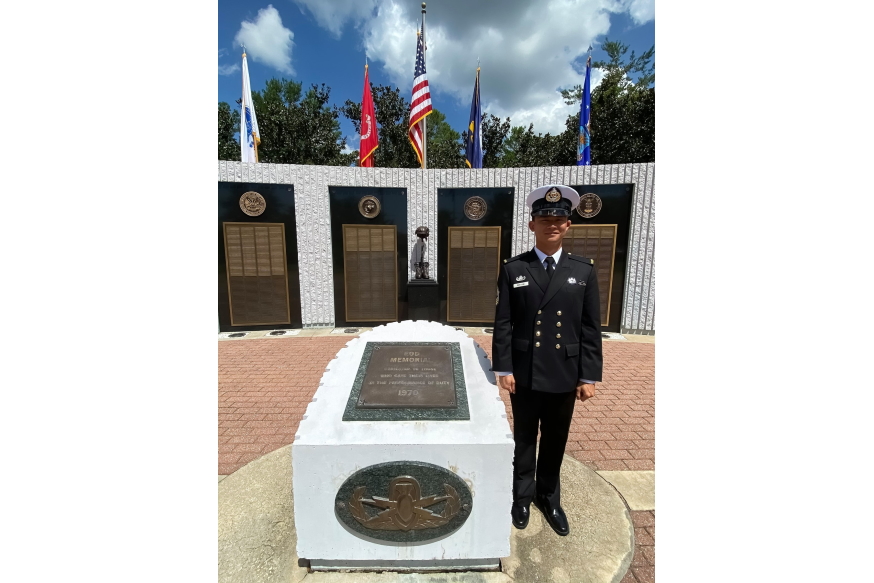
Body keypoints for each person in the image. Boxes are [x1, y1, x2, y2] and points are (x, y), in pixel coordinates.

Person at [491, 184, 603, 537]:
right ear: (532, 225)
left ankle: (549, 497)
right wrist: (504, 368)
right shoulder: (514, 269)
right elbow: (503, 323)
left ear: (568, 225)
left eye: (559, 219)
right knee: (524, 437)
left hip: (565, 373)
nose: (552, 224)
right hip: (524, 372)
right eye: (544, 218)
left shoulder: (583, 271)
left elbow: (590, 327)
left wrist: (589, 375)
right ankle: (522, 496)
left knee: (555, 438)